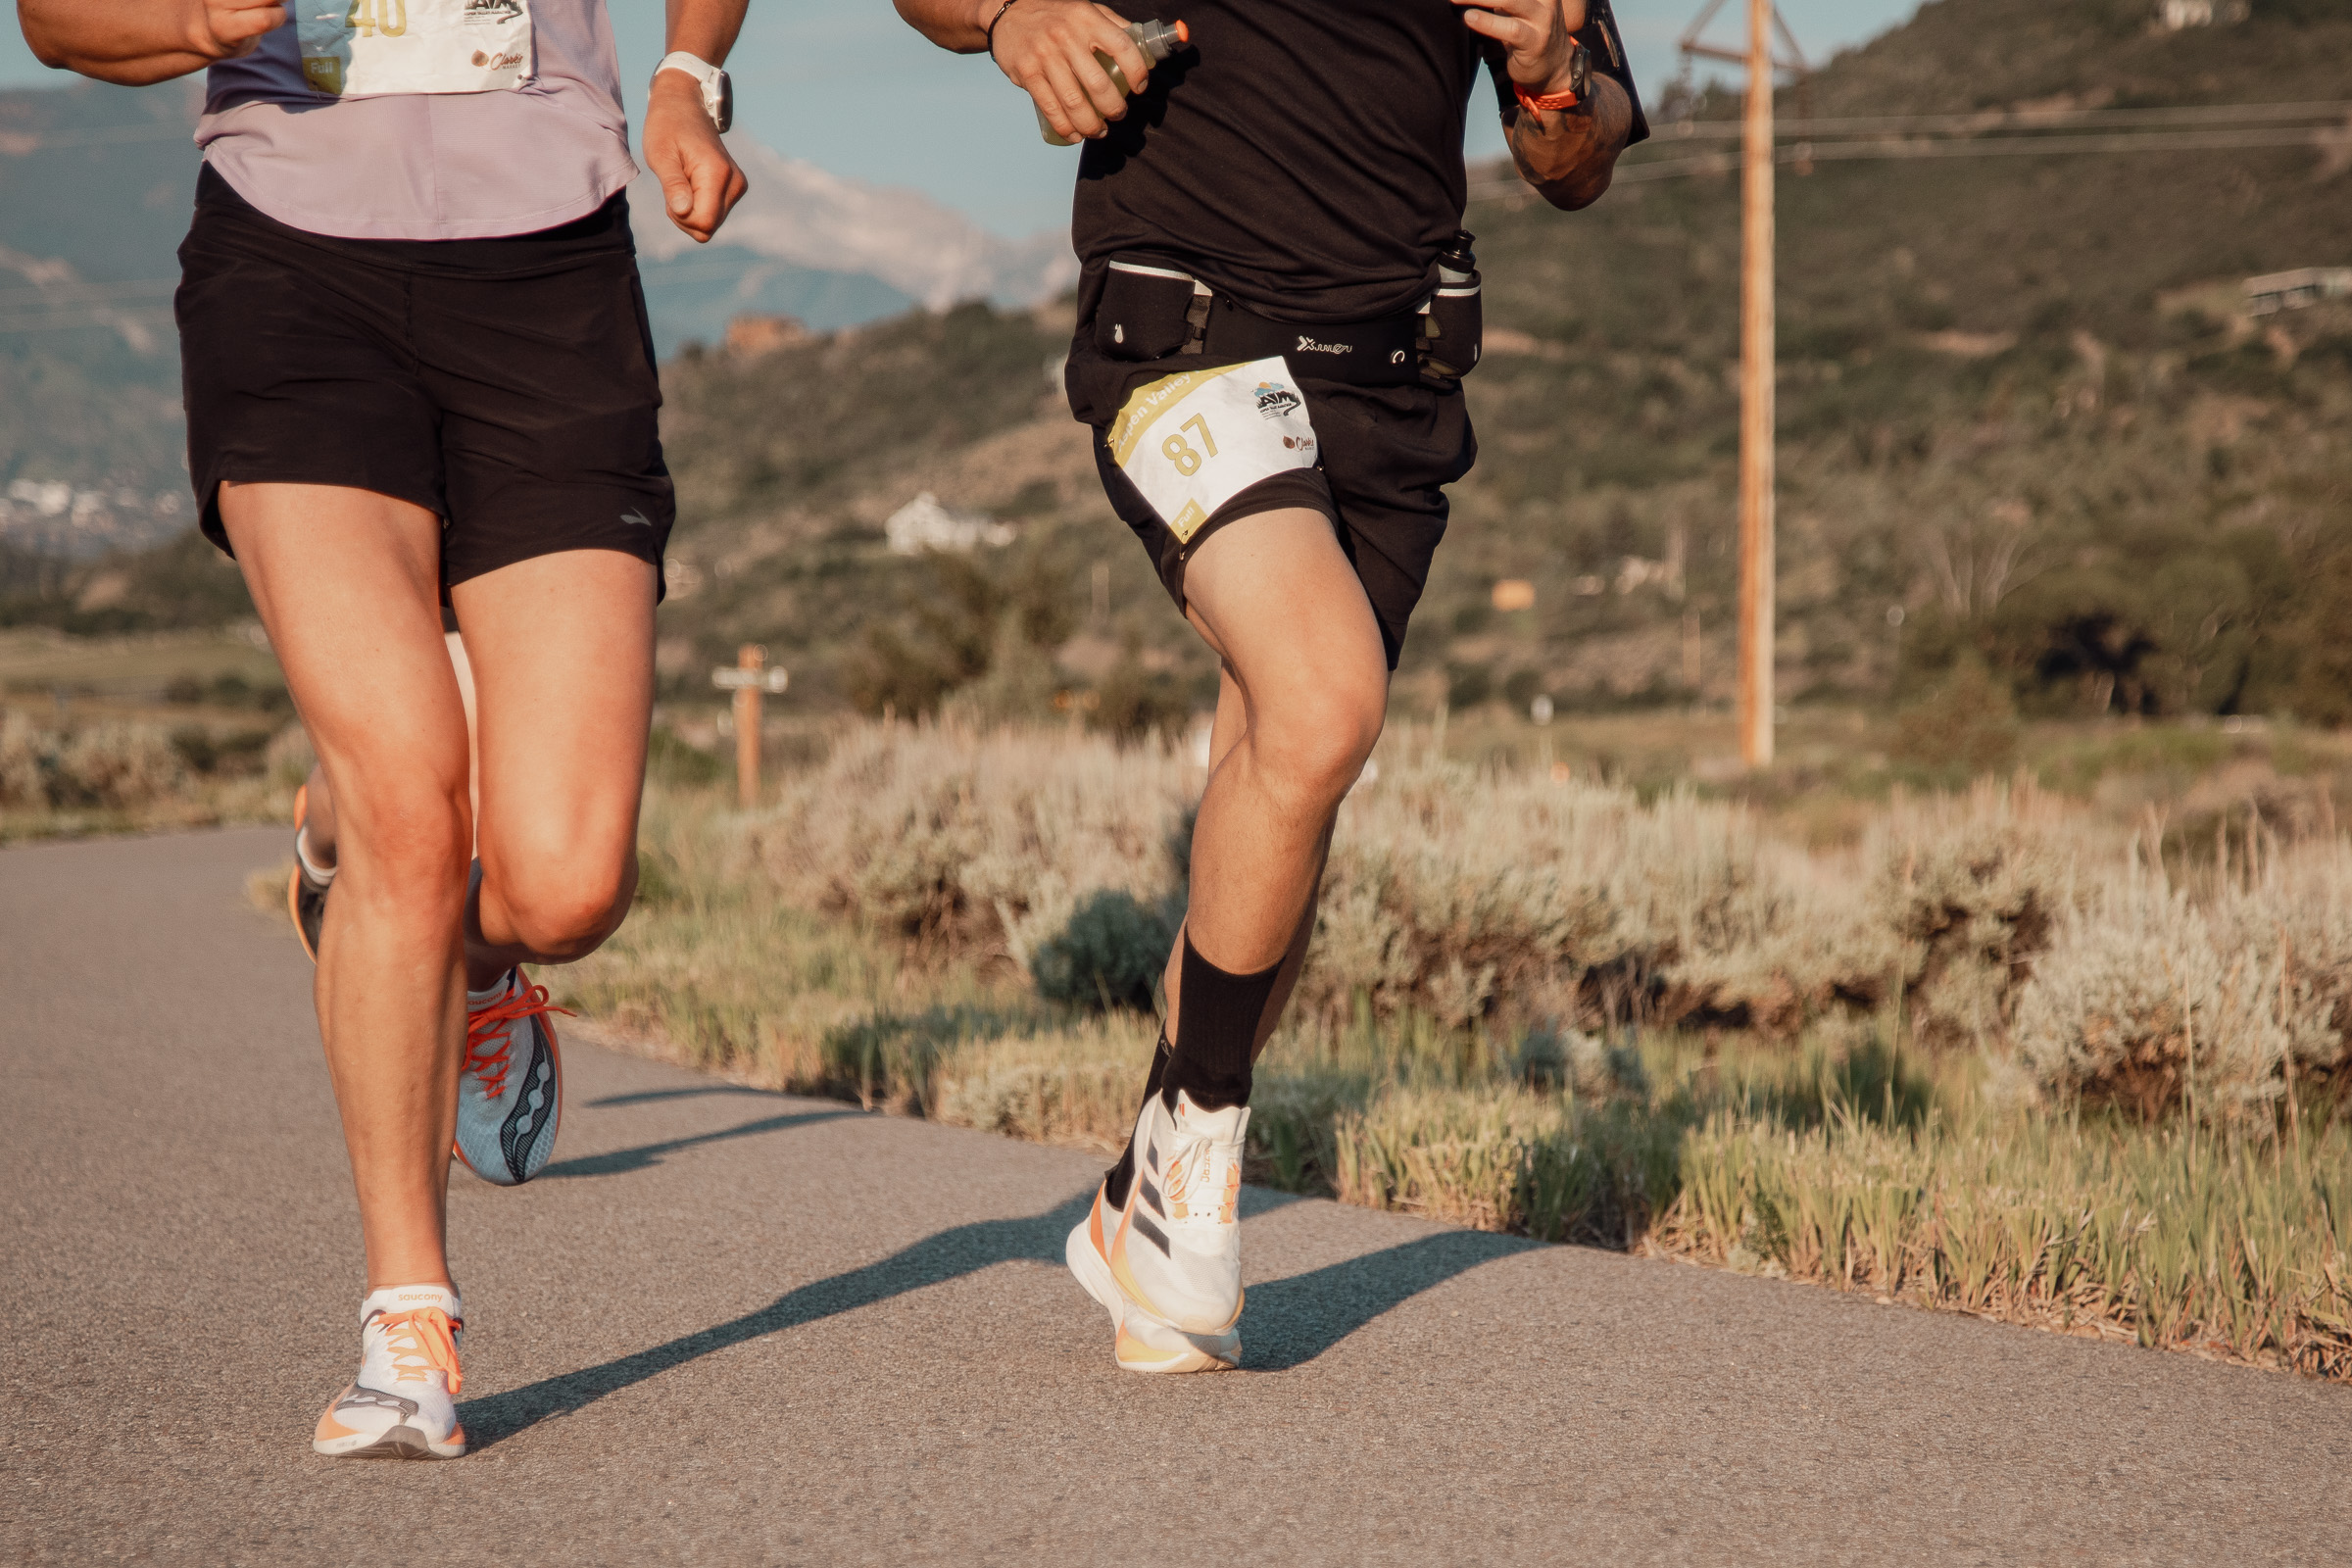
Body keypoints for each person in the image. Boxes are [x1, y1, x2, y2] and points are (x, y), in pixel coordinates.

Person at [19, 0, 750, 1457]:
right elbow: (54, 19)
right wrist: (193, 20)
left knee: (567, 886)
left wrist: (688, 74)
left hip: (551, 274)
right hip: (294, 267)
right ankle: (408, 1322)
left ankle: (439, 932)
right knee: (414, 803)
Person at [896, 0, 1642, 1372]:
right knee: (1323, 706)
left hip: (1395, 384)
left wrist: (1548, 76)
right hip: (1193, 327)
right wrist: (1006, 16)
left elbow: (1580, 160)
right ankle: (1198, 1147)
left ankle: (1142, 1190)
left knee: (1289, 778)